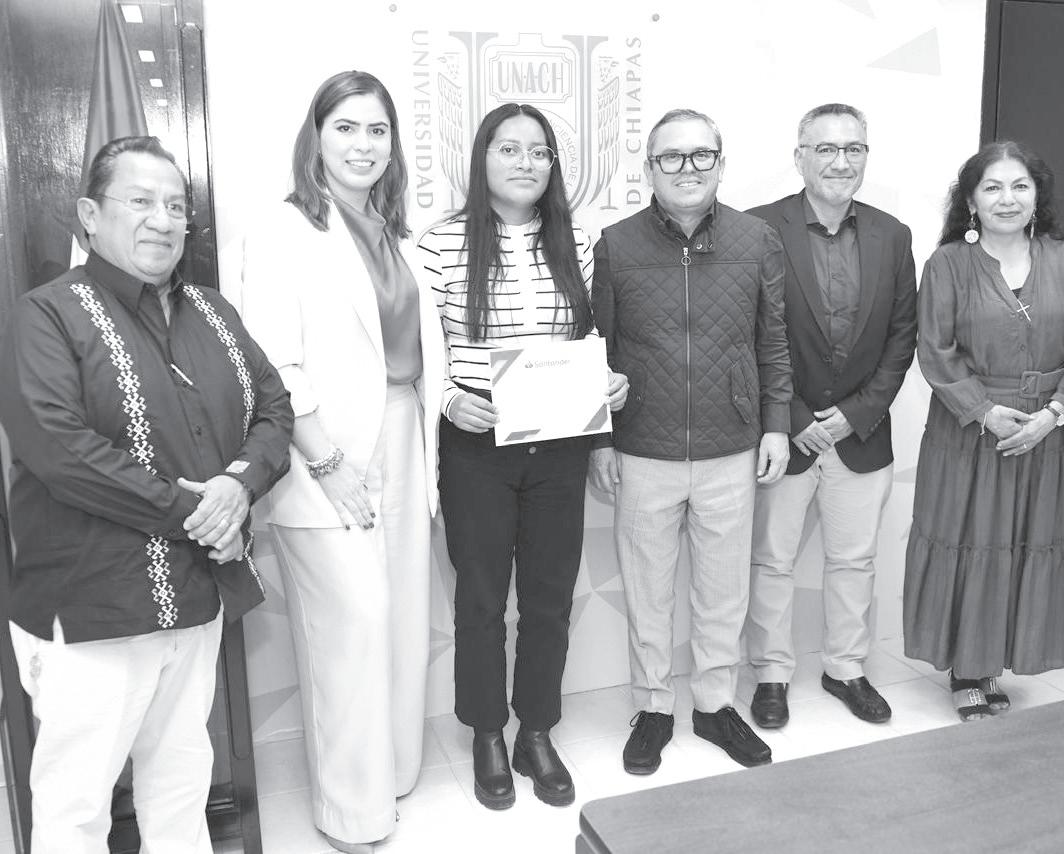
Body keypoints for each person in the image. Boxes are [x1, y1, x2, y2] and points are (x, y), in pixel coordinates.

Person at [0, 135, 293, 851]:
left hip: (194, 595)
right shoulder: (44, 315)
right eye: (140, 201)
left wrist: (238, 485)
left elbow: (275, 409)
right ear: (89, 215)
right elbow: (61, 451)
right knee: (75, 808)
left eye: (175, 205)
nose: (162, 220)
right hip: (93, 603)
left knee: (181, 783)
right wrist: (201, 512)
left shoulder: (215, 313)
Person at [235, 71, 445, 852]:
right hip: (319, 449)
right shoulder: (283, 229)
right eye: (346, 128)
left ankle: (392, 772)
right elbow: (272, 364)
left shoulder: (398, 234)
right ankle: (351, 811)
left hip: (403, 435)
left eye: (377, 130)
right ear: (315, 138)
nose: (363, 144)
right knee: (348, 628)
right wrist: (328, 463)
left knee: (399, 619)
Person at [416, 103, 627, 810]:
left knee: (548, 598)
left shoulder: (579, 242)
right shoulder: (440, 244)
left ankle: (536, 730)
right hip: (477, 445)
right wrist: (451, 399)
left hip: (558, 443)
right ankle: (486, 733)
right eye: (508, 149)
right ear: (482, 158)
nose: (525, 163)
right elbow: (422, 350)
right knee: (480, 600)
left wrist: (606, 385)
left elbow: (591, 337)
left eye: (538, 151)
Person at [590, 108, 793, 774]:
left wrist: (775, 424)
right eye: (670, 157)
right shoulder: (616, 245)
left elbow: (772, 340)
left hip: (730, 446)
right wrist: (599, 441)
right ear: (649, 168)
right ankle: (652, 708)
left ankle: (713, 706)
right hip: (640, 448)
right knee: (647, 592)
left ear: (720, 163)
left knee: (722, 592)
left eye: (701, 155)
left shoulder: (757, 239)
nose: (687, 168)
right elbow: (598, 351)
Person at [904, 141, 1064, 720]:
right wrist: (984, 411)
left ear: (1038, 196)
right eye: (992, 187)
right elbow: (935, 350)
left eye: (1020, 186)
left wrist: (1055, 413)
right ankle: (967, 668)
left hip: (1049, 431)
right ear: (970, 201)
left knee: (1028, 543)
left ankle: (1000, 660)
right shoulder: (947, 264)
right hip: (971, 432)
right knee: (975, 542)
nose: (1007, 198)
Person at [744, 104, 917, 728]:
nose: (841, 161)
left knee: (854, 561)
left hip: (861, 435)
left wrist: (854, 414)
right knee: (771, 562)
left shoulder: (893, 235)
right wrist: (794, 417)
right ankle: (770, 673)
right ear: (800, 157)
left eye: (853, 149)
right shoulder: (758, 228)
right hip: (783, 435)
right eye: (825, 148)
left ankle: (845, 668)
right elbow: (746, 333)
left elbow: (902, 337)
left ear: (866, 156)